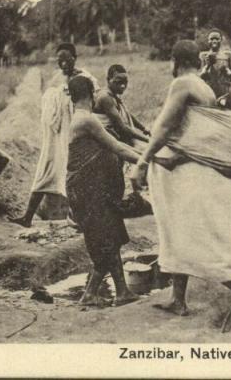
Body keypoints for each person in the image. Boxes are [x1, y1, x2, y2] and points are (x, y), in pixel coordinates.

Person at [131, 40, 231, 326]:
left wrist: (143, 161)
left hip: (193, 176)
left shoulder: (182, 84)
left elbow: (166, 127)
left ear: (174, 61)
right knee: (180, 234)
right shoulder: (203, 86)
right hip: (194, 173)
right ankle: (178, 300)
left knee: (198, 239)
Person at [65, 75, 143, 306]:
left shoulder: (83, 118)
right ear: (90, 94)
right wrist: (147, 159)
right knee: (104, 240)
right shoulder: (86, 120)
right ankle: (89, 294)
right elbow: (116, 146)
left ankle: (122, 291)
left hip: (94, 190)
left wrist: (146, 155)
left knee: (111, 237)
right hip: (89, 192)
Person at [10, 43, 98, 228]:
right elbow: (48, 103)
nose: (63, 63)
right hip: (54, 135)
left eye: (67, 59)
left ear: (75, 58)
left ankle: (77, 219)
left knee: (73, 174)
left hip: (73, 132)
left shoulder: (85, 78)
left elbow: (93, 102)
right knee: (44, 171)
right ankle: (27, 217)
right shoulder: (57, 78)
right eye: (60, 59)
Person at [93, 64, 150, 147]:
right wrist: (148, 140)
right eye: (119, 82)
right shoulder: (105, 97)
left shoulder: (113, 94)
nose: (123, 86)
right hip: (107, 143)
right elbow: (122, 127)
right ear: (109, 80)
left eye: (125, 82)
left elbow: (127, 114)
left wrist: (143, 128)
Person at [200, 30, 231, 98]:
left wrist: (228, 72)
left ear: (221, 40)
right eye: (211, 39)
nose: (214, 41)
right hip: (209, 92)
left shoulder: (228, 54)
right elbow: (200, 78)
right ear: (208, 41)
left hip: (224, 91)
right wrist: (208, 66)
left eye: (217, 39)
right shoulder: (204, 55)